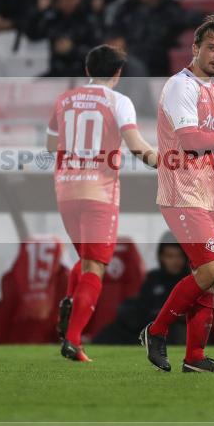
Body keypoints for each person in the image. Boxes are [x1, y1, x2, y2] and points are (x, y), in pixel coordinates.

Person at [140, 15, 214, 374]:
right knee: (211, 269)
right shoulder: (179, 87)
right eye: (213, 48)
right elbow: (190, 140)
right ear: (195, 48)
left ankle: (195, 358)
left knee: (211, 278)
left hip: (210, 195)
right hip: (181, 192)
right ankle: (155, 332)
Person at [48, 45, 158, 362]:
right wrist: (166, 163)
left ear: (87, 70)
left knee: (85, 258)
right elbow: (136, 145)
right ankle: (73, 341)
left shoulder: (64, 99)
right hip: (99, 192)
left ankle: (70, 299)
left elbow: (49, 144)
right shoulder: (118, 101)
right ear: (118, 74)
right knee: (95, 266)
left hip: (65, 190)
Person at [94, 233, 189, 345]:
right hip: (146, 326)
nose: (175, 261)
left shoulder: (191, 281)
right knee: (111, 332)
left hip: (170, 329)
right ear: (161, 257)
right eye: (170, 256)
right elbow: (143, 304)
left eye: (179, 256)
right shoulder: (153, 278)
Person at [112, 0, 198, 76]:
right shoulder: (128, 8)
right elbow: (115, 28)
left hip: (159, 53)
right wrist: (117, 39)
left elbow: (190, 18)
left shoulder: (170, 7)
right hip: (130, 51)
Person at [25, 0, 103, 78]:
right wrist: (39, 11)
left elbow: (98, 55)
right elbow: (32, 34)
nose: (65, 1)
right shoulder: (52, 19)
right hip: (57, 74)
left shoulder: (89, 20)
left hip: (83, 75)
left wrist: (72, 50)